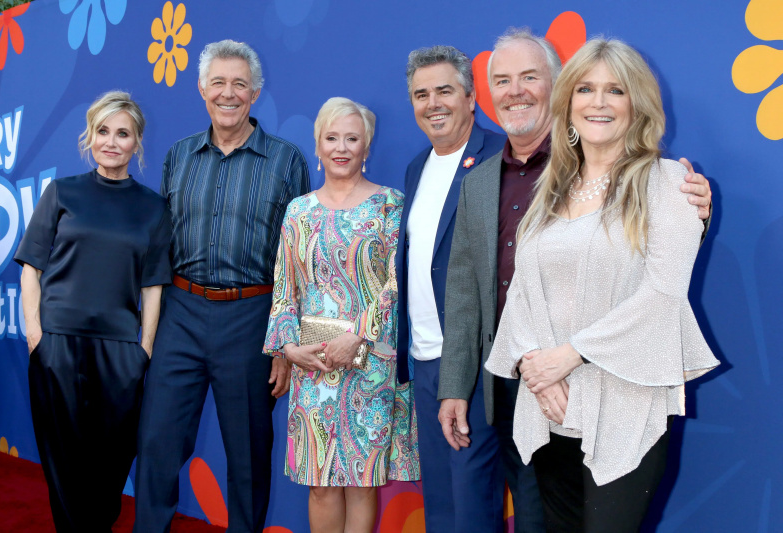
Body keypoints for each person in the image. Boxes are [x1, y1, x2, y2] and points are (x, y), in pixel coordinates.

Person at [437, 27, 714, 530]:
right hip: (550, 407)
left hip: (626, 406)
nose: (598, 102)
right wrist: (534, 369)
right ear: (568, 104)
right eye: (585, 89)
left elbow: (662, 296)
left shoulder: (669, 183)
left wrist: (566, 357)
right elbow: (520, 292)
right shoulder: (550, 192)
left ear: (638, 104)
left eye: (615, 90)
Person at [133, 40, 310, 533]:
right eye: (218, 83)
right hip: (181, 314)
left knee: (249, 455)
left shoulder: (286, 161)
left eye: (239, 84)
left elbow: (294, 261)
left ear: (255, 92)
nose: (228, 93)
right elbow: (160, 246)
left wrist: (283, 344)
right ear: (201, 89)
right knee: (157, 444)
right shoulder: (178, 157)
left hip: (252, 320)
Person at [394, 46, 540, 532]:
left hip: (478, 359)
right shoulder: (417, 167)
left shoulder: (501, 157)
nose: (432, 103)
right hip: (424, 358)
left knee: (473, 504)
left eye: (444, 91)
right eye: (421, 94)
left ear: (470, 97)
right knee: (440, 500)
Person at [15, 90, 171, 532]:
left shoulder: (153, 207)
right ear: (90, 135)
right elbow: (31, 270)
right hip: (57, 344)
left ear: (137, 142)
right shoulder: (62, 192)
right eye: (103, 131)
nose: (111, 141)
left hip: (120, 351)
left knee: (110, 463)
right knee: (62, 462)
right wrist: (35, 335)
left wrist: (143, 348)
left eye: (123, 133)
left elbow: (154, 285)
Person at [264, 97, 418, 533]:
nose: (342, 147)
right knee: (319, 483)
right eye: (332, 138)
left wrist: (361, 336)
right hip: (312, 366)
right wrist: (289, 348)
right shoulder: (298, 211)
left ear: (367, 147)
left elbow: (396, 284)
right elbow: (284, 288)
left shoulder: (390, 206)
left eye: (352, 138)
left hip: (370, 364)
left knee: (362, 482)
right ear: (318, 145)